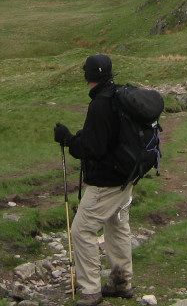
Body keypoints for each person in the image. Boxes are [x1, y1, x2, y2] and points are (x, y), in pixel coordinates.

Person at [54, 53, 134, 305]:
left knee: (81, 229)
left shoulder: (100, 104)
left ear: (88, 76)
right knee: (117, 226)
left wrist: (68, 139)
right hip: (127, 176)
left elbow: (94, 147)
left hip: (107, 181)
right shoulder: (119, 96)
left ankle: (90, 290)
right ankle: (122, 283)